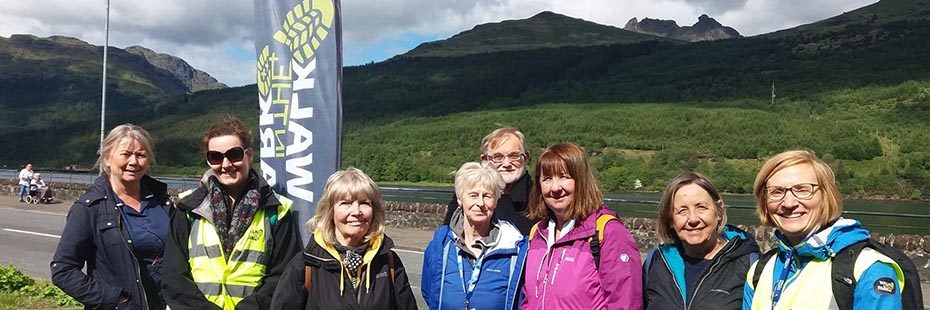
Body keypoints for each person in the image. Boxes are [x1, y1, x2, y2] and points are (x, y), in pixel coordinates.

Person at [162, 116, 302, 310]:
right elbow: (174, 277)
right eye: (216, 157)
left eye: (234, 154)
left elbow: (283, 277)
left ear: (249, 155)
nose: (226, 164)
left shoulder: (276, 211)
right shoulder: (187, 209)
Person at [743, 150, 903, 309]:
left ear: (826, 196)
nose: (789, 203)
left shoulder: (867, 269)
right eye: (777, 192)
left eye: (802, 189)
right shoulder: (760, 270)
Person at [51, 124, 171, 309]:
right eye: (126, 154)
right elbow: (63, 269)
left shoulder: (162, 201)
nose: (134, 162)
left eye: (141, 155)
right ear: (107, 158)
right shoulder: (90, 207)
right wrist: (113, 299)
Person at [270, 167, 417, 309]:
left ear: (374, 211)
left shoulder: (389, 262)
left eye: (364, 203)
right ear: (330, 211)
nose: (356, 211)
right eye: (346, 203)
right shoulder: (305, 264)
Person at [521, 142, 643, 309]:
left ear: (581, 180)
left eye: (565, 176)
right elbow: (529, 299)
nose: (555, 187)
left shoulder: (607, 231)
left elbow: (626, 304)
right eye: (547, 178)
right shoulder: (537, 233)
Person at [643, 172, 759, 309]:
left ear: (719, 211)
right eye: (682, 211)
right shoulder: (656, 263)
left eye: (701, 208)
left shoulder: (749, 264)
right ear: (670, 220)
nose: (693, 219)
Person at [422, 162, 528, 310]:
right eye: (473, 195)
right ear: (460, 199)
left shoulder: (515, 249)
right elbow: (429, 293)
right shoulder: (440, 246)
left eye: (487, 196)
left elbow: (521, 302)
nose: (480, 203)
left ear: (496, 201)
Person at [443, 127, 534, 234]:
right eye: (498, 157)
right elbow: (448, 236)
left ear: (526, 158)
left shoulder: (538, 197)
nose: (506, 164)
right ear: (484, 160)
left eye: (513, 156)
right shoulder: (468, 193)